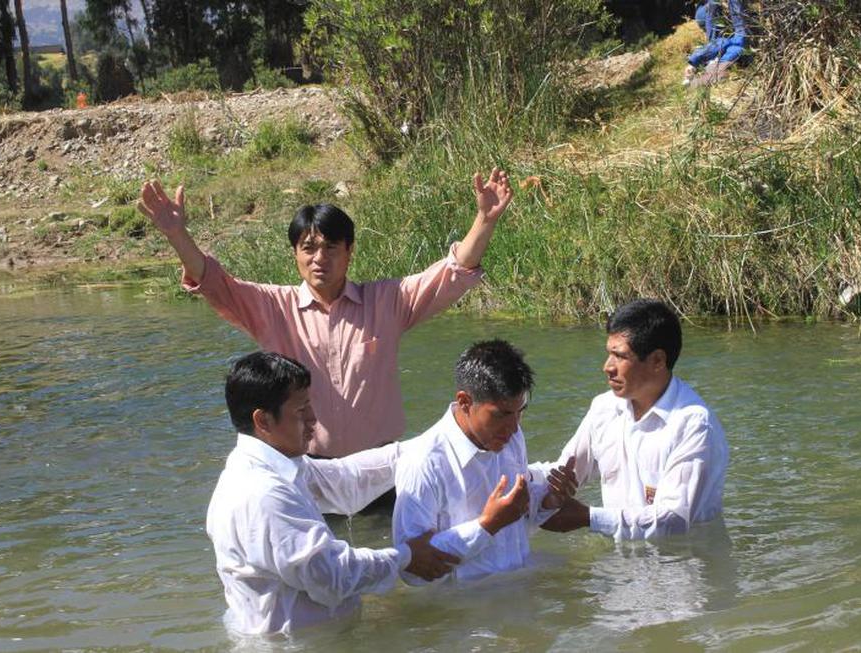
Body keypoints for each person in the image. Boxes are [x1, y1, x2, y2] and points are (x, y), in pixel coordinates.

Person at [137, 169, 513, 460]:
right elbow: (212, 282)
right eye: (309, 247)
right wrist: (176, 234)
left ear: (349, 252)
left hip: (381, 465)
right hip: (308, 468)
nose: (320, 258)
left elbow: (452, 273)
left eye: (332, 247)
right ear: (295, 255)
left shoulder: (387, 301)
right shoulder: (272, 307)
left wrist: (486, 220)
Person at [208, 351, 532, 635]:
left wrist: (437, 442)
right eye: (302, 410)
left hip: (322, 634)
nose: (314, 419)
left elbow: (346, 482)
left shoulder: (282, 466)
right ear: (263, 421)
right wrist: (405, 557)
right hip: (295, 644)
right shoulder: (262, 493)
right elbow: (331, 575)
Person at [533, 299, 728, 540]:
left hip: (685, 559)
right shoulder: (604, 408)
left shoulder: (693, 424)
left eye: (620, 356)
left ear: (658, 360)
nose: (607, 367)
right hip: (619, 559)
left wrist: (588, 517)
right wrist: (516, 477)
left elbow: (674, 520)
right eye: (609, 354)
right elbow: (566, 472)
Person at [392, 340, 576, 583]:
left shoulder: (511, 437)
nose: (514, 427)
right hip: (464, 603)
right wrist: (487, 525)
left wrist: (547, 501)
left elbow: (516, 519)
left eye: (520, 411)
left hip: (519, 588)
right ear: (465, 402)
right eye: (501, 415)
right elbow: (410, 571)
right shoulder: (423, 462)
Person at [683, 0, 748, 87]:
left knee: (730, 40)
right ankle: (703, 63)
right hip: (706, 10)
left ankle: (701, 62)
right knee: (738, 39)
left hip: (709, 10)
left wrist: (694, 61)